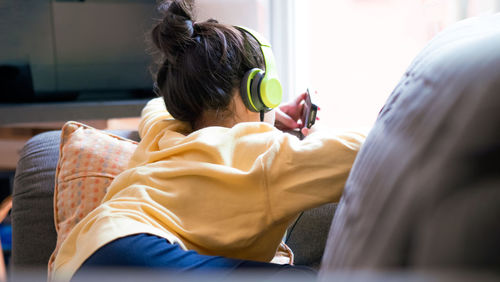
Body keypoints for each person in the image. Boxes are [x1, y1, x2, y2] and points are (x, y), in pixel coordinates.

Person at [51, 0, 364, 281]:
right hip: (138, 253)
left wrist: (270, 113)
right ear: (260, 89)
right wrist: (297, 127)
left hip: (84, 255)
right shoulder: (265, 153)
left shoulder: (167, 129)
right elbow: (364, 150)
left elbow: (154, 106)